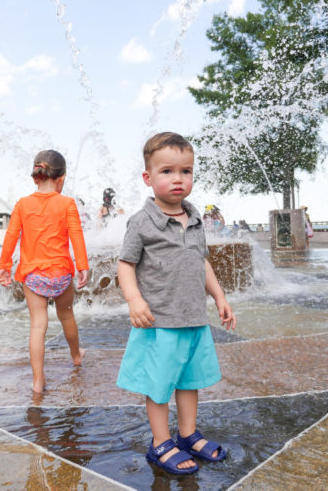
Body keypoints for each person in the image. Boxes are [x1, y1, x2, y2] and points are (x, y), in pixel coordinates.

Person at [116, 132, 236, 475]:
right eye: (167, 171)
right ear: (148, 178)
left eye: (186, 171)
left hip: (193, 318)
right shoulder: (142, 222)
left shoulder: (196, 219)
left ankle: (187, 434)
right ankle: (160, 442)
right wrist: (134, 299)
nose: (178, 179)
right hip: (160, 321)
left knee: (189, 380)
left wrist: (219, 296)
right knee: (159, 384)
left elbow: (202, 262)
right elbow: (125, 264)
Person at [0, 150, 89, 394]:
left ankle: (38, 381)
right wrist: (83, 266)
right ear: (61, 178)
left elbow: (11, 236)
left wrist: (5, 267)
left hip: (33, 274)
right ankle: (76, 355)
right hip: (60, 273)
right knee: (67, 315)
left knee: (38, 325)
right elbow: (76, 235)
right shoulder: (67, 203)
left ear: (36, 176)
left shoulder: (22, 204)